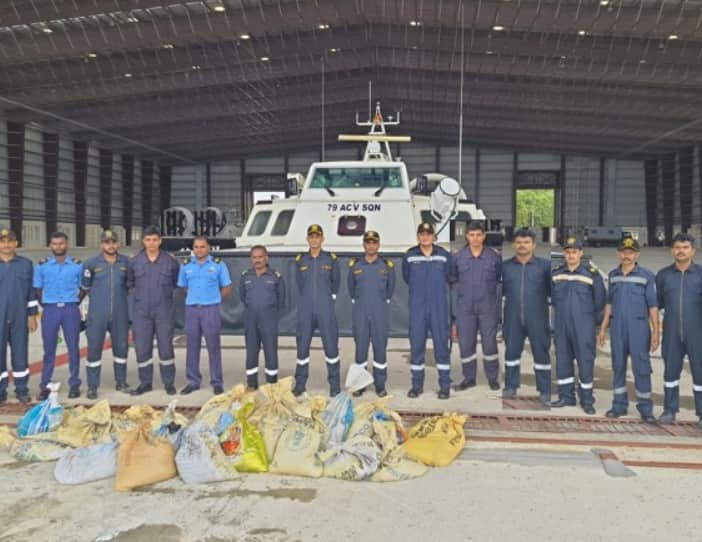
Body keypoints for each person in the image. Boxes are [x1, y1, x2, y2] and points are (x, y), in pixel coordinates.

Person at [597, 237, 658, 423]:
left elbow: (653, 306)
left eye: (631, 252)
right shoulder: (613, 275)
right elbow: (609, 303)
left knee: (641, 367)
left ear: (637, 254)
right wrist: (603, 328)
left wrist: (656, 332)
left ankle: (646, 409)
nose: (627, 255)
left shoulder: (646, 276)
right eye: (624, 251)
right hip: (617, 328)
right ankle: (619, 406)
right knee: (618, 365)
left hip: (639, 327)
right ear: (618, 253)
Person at [550, 236, 606, 414]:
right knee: (563, 361)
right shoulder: (557, 273)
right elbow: (552, 299)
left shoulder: (591, 274)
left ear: (580, 253)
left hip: (584, 326)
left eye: (574, 252)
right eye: (568, 252)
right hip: (561, 326)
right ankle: (566, 397)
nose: (571, 255)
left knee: (585, 362)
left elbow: (600, 302)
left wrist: (596, 327)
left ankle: (587, 400)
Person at [655, 232, 702, 428]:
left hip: (697, 332)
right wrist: (655, 331)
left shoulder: (700, 274)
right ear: (671, 250)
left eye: (685, 248)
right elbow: (656, 305)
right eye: (677, 247)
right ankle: (669, 410)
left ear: (693, 251)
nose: (680, 251)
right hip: (672, 332)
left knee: (700, 374)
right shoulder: (663, 275)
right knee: (670, 372)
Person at [127, 225, 180, 396]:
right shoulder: (134, 262)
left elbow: (175, 283)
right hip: (142, 312)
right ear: (143, 241)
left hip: (164, 311)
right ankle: (145, 382)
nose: (151, 243)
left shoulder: (170, 262)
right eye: (148, 240)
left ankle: (169, 382)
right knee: (142, 348)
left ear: (160, 241)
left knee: (166, 348)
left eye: (155, 240)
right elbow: (129, 284)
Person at [501, 228, 552, 404]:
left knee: (541, 354)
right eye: (519, 242)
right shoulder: (506, 266)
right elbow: (500, 292)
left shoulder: (545, 266)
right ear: (514, 244)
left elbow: (552, 292)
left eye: (526, 242)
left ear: (534, 245)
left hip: (537, 318)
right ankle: (510, 385)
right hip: (512, 317)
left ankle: (544, 390)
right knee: (511, 352)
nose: (522, 245)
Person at [177, 236, 232, 395]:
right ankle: (193, 381)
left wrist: (214, 300)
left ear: (208, 248)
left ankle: (217, 381)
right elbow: (184, 287)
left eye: (202, 247)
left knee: (213, 346)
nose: (199, 250)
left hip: (210, 310)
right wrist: (197, 298)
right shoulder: (186, 266)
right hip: (192, 310)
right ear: (192, 249)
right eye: (196, 247)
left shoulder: (218, 265)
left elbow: (227, 286)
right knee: (192, 346)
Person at [451, 220, 502, 392]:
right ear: (467, 236)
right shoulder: (458, 257)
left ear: (484, 236)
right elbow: (452, 279)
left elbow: (499, 279)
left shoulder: (493, 256)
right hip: (465, 308)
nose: (475, 238)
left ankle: (492, 378)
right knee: (466, 344)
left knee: (489, 345)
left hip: (487, 307)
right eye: (471, 235)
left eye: (479, 235)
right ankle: (469, 378)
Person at [403, 222, 451, 399]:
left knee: (441, 348)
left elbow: (449, 277)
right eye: (422, 234)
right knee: (416, 347)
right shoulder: (410, 256)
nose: (425, 237)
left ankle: (445, 387)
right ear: (418, 237)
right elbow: (407, 277)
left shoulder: (444, 255)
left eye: (428, 234)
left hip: (438, 308)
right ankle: (417, 386)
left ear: (433, 236)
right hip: (418, 309)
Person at [33, 231, 84, 399]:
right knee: (49, 349)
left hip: (70, 309)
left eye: (61, 243)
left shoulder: (77, 265)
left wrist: (76, 301)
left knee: (73, 348)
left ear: (66, 244)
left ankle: (74, 384)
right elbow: (37, 289)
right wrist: (46, 304)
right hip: (50, 309)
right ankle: (45, 385)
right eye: (55, 244)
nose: (58, 246)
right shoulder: (42, 266)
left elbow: (84, 287)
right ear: (50, 245)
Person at [81, 229, 131, 399]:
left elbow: (130, 287)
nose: (111, 245)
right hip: (97, 314)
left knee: (122, 348)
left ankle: (121, 381)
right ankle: (92, 386)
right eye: (107, 242)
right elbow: (85, 289)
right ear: (102, 244)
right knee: (94, 349)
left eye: (114, 242)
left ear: (118, 244)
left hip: (120, 313)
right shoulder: (90, 264)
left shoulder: (126, 263)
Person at [294, 224, 341, 397]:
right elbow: (299, 284)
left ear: (322, 239)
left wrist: (328, 299)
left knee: (331, 348)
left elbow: (336, 282)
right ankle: (300, 384)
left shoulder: (330, 259)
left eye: (317, 236)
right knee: (302, 349)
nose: (314, 239)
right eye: (311, 236)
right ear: (307, 239)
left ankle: (335, 385)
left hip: (325, 309)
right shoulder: (301, 260)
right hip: (306, 310)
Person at [348, 230, 396, 397]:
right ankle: (360, 385)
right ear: (364, 245)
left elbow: (390, 289)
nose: (371, 246)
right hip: (361, 312)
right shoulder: (356, 265)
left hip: (379, 312)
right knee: (360, 351)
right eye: (368, 242)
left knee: (380, 350)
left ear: (378, 244)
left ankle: (380, 385)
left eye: (374, 242)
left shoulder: (386, 266)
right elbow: (351, 289)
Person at [0, 228, 38, 404]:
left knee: (20, 353)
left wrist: (32, 316)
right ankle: (1, 391)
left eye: (10, 241)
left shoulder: (26, 264)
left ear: (16, 243)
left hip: (19, 316)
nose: (6, 244)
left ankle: (22, 389)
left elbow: (31, 293)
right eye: (3, 241)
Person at [240, 245, 285, 390]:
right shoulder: (245, 276)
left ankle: (271, 384)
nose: (257, 260)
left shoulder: (275, 276)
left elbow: (282, 299)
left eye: (260, 257)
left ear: (266, 257)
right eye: (254, 257)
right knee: (251, 350)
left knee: (270, 351)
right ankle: (252, 383)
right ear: (251, 259)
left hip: (269, 319)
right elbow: (242, 297)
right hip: (250, 319)